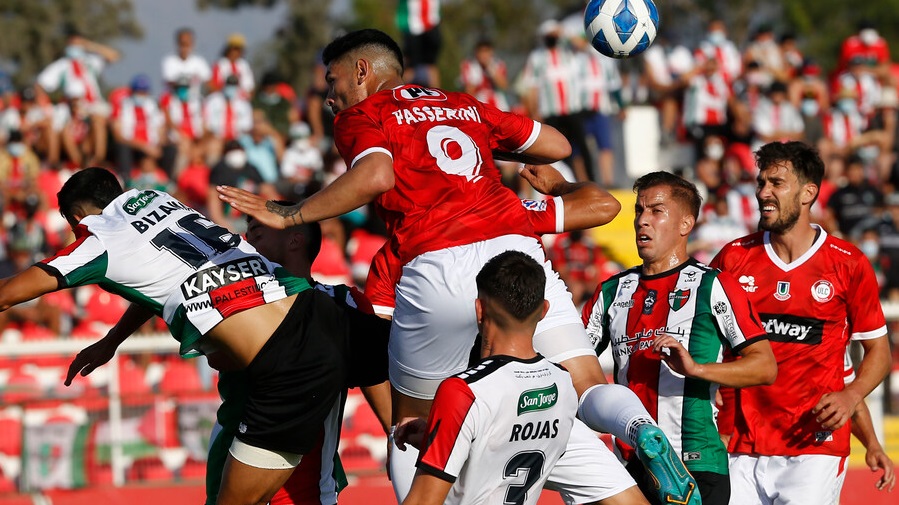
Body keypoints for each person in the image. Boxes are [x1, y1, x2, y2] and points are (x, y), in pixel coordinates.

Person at [218, 28, 697, 505]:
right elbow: (557, 145)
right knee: (587, 383)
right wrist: (484, 140)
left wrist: (289, 211)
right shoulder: (464, 103)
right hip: (516, 251)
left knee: (410, 428)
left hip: (437, 259)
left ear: (362, 71)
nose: (329, 96)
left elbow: (377, 174)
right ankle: (639, 429)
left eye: (332, 80)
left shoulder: (364, 113)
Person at [13, 167, 390, 505]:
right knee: (415, 421)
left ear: (77, 218)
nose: (249, 234)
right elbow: (158, 275)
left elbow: (7, 296)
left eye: (261, 227)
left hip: (291, 391)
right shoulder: (164, 204)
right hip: (281, 373)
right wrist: (112, 339)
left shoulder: (99, 238)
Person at [709, 141, 892, 505]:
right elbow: (707, 341)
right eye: (761, 183)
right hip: (740, 446)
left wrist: (853, 400)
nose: (763, 192)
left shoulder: (848, 264)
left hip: (814, 448)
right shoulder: (733, 258)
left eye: (776, 183)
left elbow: (878, 353)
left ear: (808, 192)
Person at [583, 171, 777, 504]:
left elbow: (764, 367)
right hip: (630, 469)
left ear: (685, 224)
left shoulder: (713, 286)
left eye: (656, 211)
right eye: (639, 211)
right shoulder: (612, 291)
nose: (643, 221)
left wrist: (697, 369)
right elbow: (574, 362)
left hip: (696, 467)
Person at [395, 251, 577, 505]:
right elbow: (504, 450)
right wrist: (437, 436)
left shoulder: (462, 391)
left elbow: (423, 501)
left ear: (479, 310)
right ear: (544, 310)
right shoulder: (563, 383)